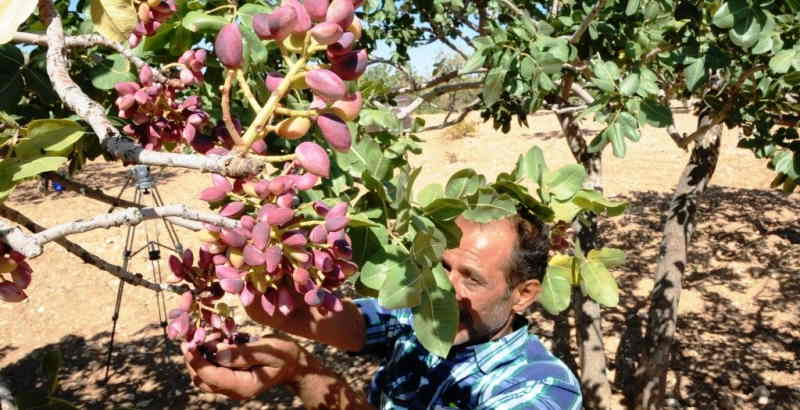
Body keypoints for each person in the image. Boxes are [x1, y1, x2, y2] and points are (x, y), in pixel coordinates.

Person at [183, 212, 583, 409]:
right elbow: (333, 320)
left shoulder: (540, 389)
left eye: (471, 278)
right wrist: (250, 259)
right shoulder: (420, 317)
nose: (444, 290)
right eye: (442, 267)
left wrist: (301, 369)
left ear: (524, 294)